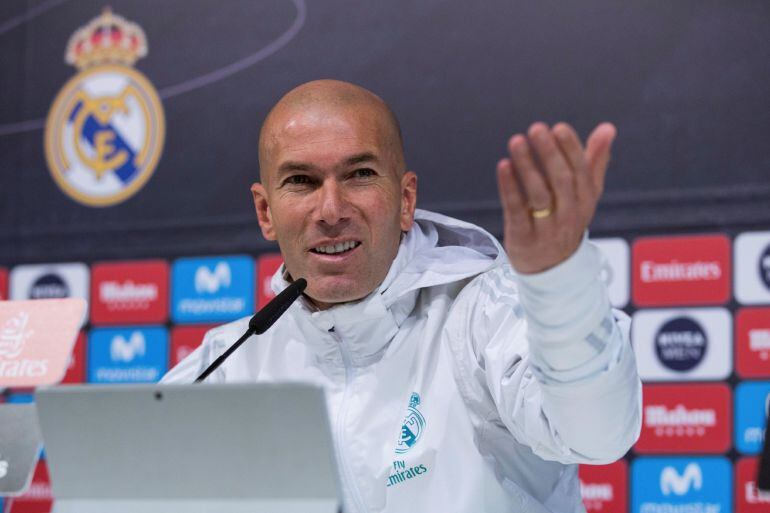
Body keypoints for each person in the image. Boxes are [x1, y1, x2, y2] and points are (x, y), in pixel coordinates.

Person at [163, 79, 642, 513]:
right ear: (266, 211)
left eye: (359, 175)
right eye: (302, 182)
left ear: (405, 200)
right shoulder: (227, 361)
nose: (331, 210)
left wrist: (560, 287)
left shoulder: (486, 315)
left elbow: (597, 434)